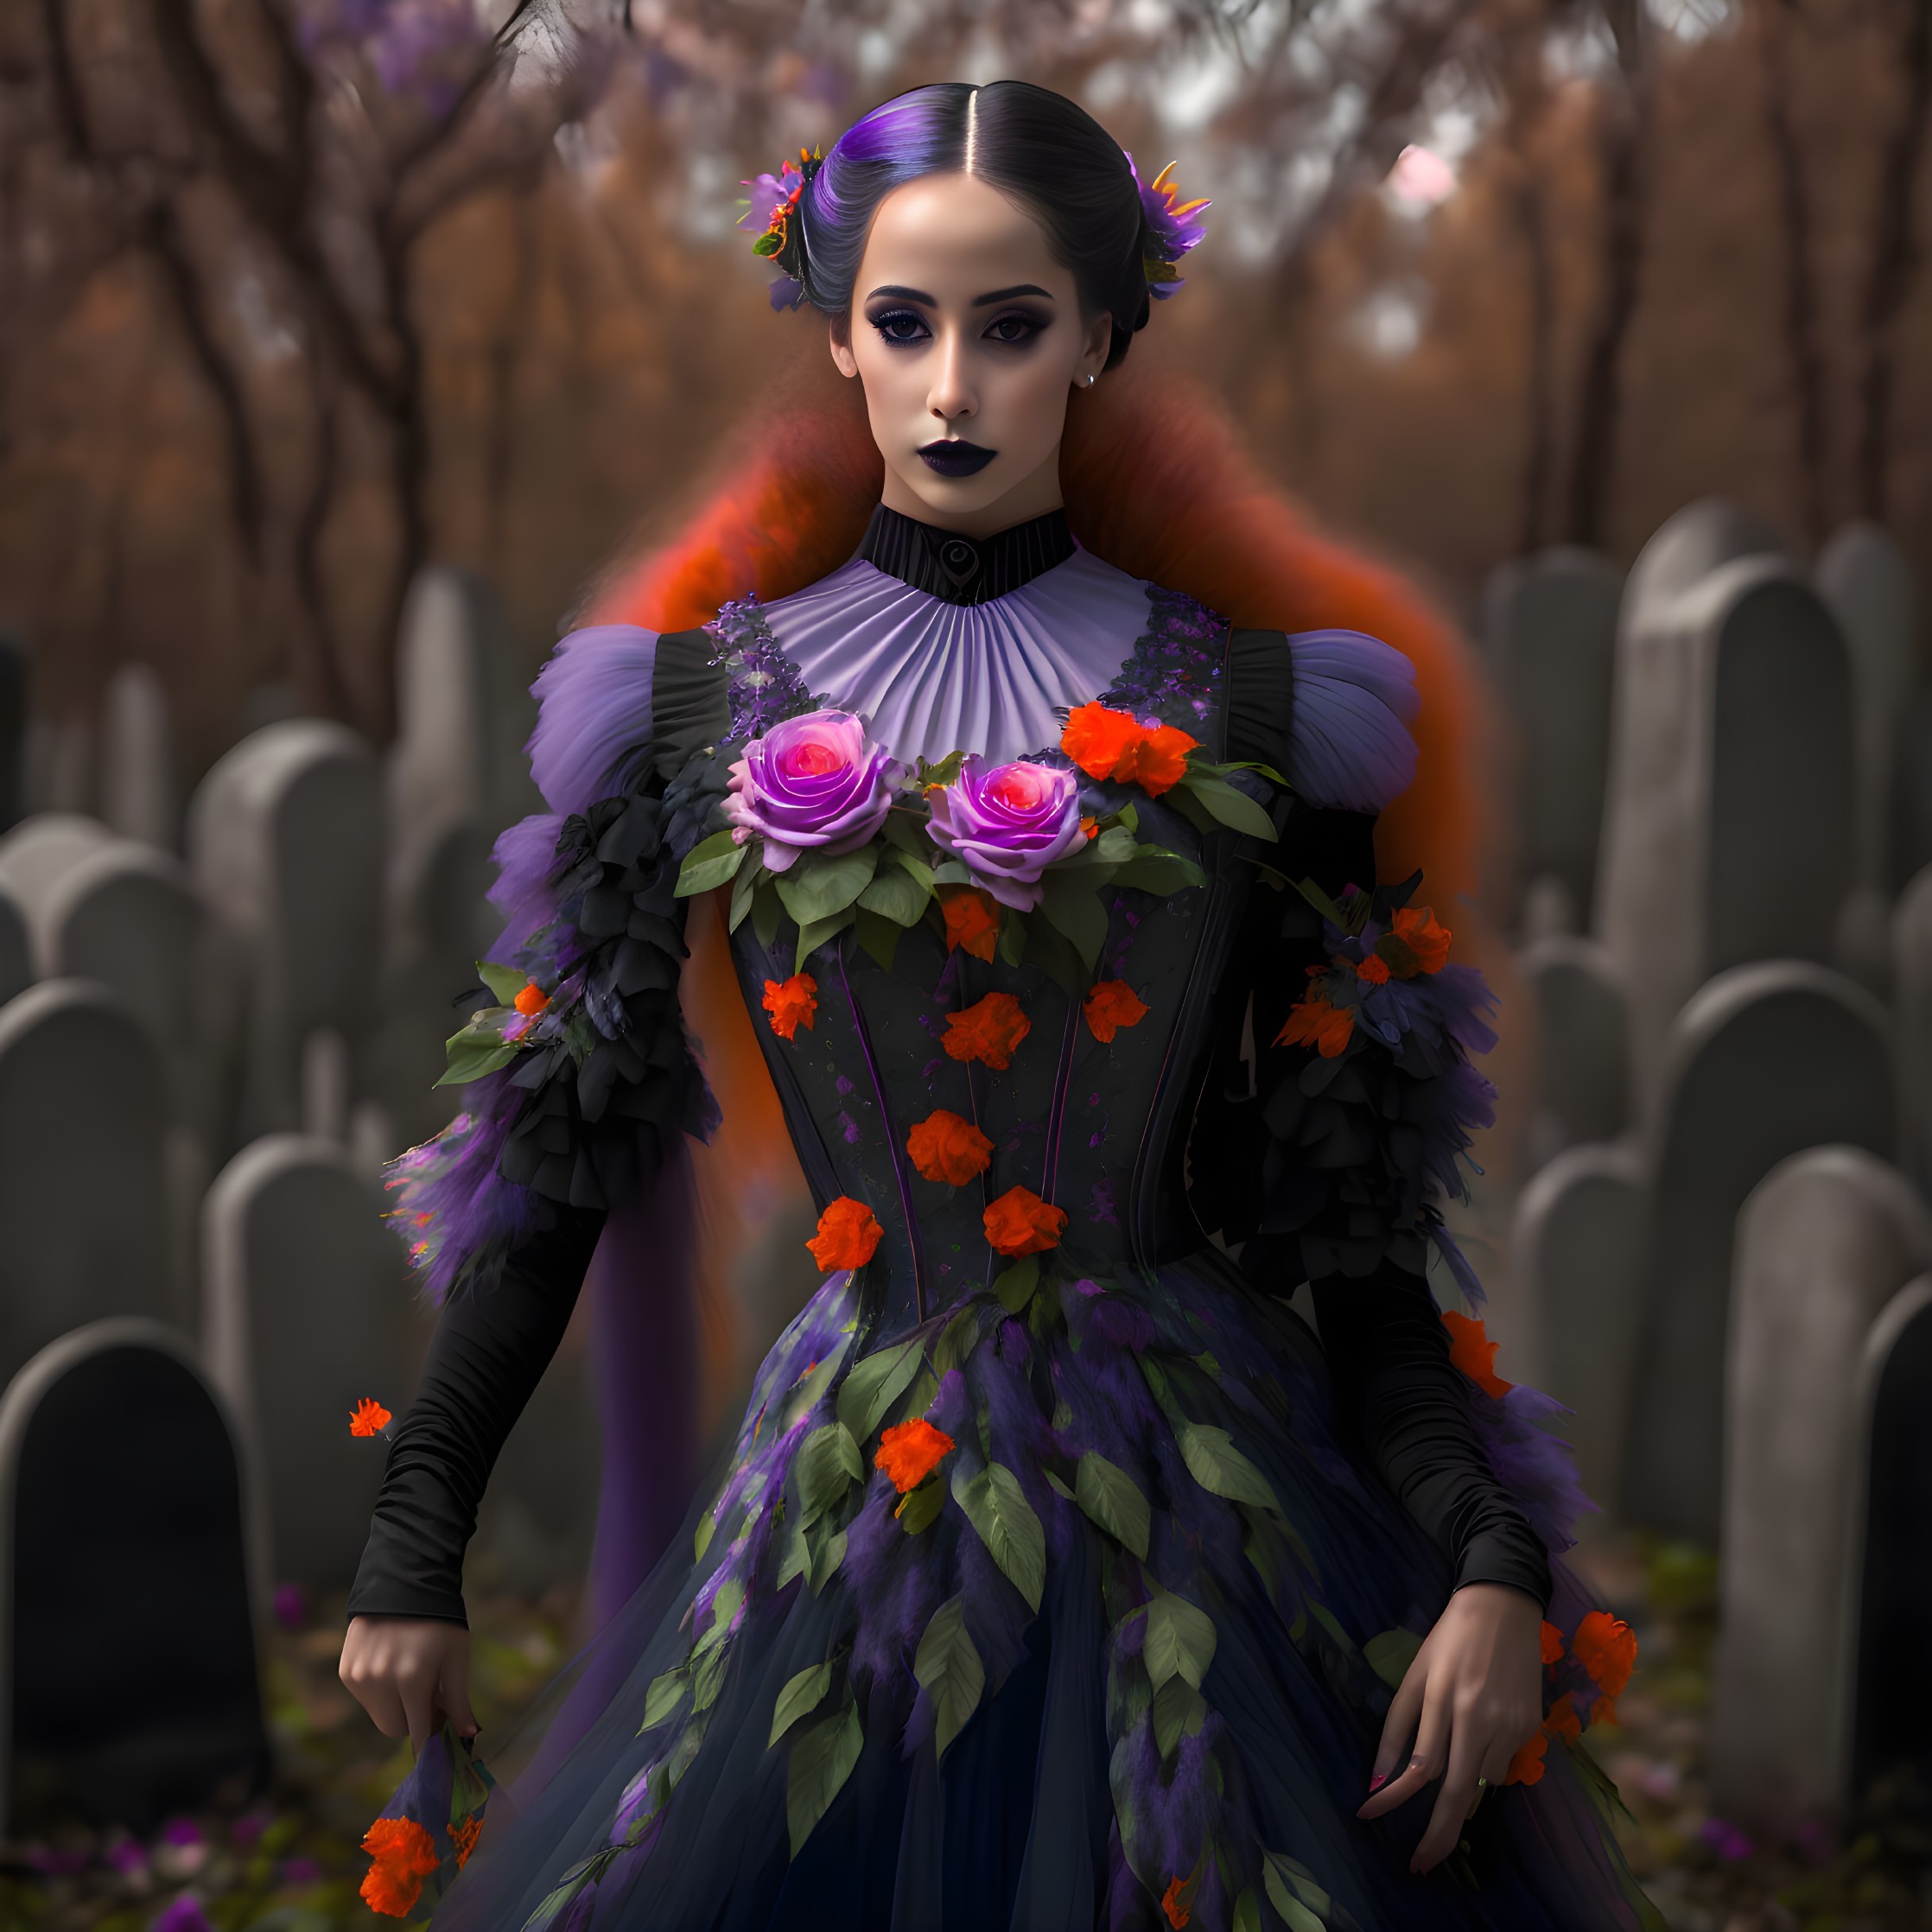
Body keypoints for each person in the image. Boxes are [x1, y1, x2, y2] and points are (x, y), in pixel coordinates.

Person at [339, 79, 1660, 1932]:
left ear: (1101, 335)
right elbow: (556, 1150)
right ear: (835, 334)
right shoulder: (682, 717)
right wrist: (417, 1535)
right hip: (848, 1488)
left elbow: (1357, 1248)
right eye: (903, 322)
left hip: (1212, 1498)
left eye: (1012, 324)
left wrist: (1491, 1557)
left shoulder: (1269, 719)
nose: (952, 384)